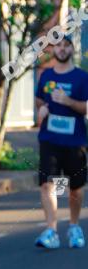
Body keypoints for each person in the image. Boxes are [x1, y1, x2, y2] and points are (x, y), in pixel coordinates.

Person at [34, 35, 87, 249]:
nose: (62, 49)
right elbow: (39, 100)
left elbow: (85, 107)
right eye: (58, 46)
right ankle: (51, 230)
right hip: (49, 139)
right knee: (48, 183)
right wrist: (42, 108)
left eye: (66, 46)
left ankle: (74, 226)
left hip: (75, 141)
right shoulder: (46, 75)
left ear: (72, 49)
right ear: (53, 50)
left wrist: (68, 102)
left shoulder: (82, 77)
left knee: (74, 187)